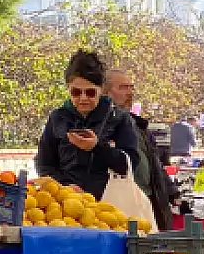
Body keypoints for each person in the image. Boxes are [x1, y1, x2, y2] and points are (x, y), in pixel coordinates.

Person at [35, 49, 140, 199]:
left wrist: (97, 148)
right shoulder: (58, 117)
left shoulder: (119, 119)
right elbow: (44, 164)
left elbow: (130, 165)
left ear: (101, 90)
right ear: (68, 89)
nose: (83, 98)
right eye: (76, 93)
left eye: (90, 93)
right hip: (66, 204)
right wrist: (63, 186)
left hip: (108, 205)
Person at [105, 68, 175, 230]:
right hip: (119, 201)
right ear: (105, 92)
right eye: (123, 87)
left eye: (131, 87)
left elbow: (155, 164)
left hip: (148, 199)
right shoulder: (103, 125)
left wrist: (172, 191)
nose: (129, 92)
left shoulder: (140, 126)